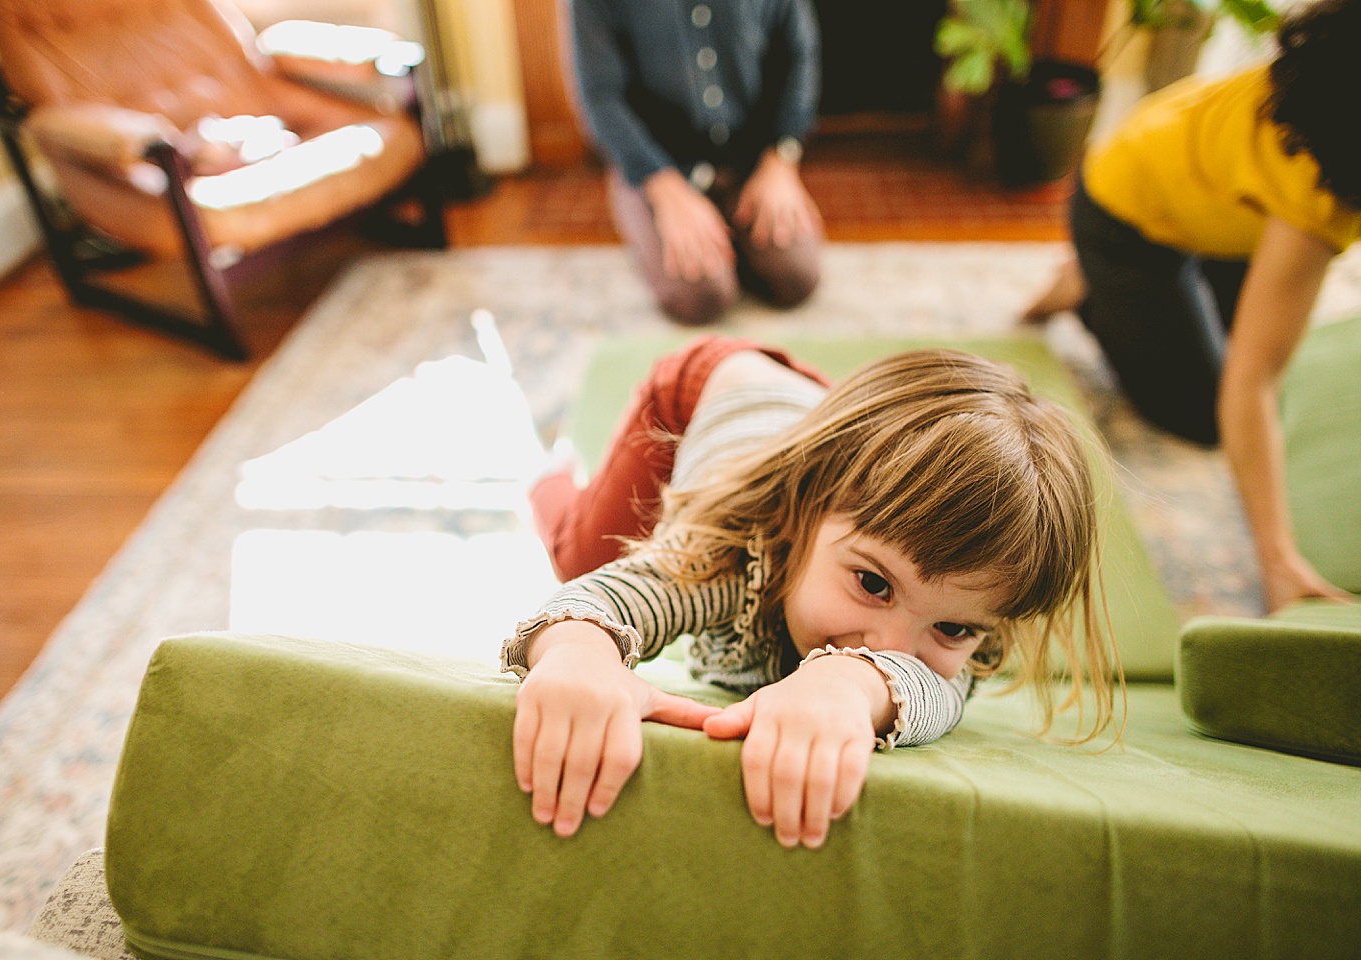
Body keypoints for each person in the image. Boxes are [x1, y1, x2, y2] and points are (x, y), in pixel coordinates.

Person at [503, 337, 1121, 850]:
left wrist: (851, 684)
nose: (893, 648)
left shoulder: (970, 605)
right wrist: (579, 653)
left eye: (952, 629)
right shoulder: (728, 549)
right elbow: (604, 595)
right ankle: (547, 480)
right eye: (874, 585)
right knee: (581, 552)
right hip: (705, 390)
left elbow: (943, 691)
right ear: (803, 513)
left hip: (820, 417)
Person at [1023, 0, 1361, 612]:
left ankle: (1112, 286)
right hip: (1123, 210)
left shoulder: (1323, 85)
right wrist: (1278, 559)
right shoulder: (1321, 195)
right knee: (1206, 412)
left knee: (1243, 353)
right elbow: (1253, 380)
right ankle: (1093, 291)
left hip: (1216, 199)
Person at [569, 0, 824, 325]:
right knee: (703, 297)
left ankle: (731, 240)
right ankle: (665, 230)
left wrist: (781, 160)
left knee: (796, 278)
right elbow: (600, 95)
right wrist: (666, 191)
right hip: (657, 165)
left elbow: (799, 56)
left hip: (754, 161)